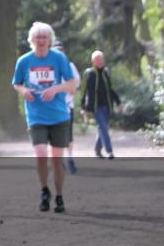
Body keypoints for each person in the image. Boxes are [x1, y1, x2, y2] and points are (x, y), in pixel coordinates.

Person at [11, 23, 79, 213]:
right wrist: (24, 90)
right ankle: (44, 190)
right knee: (41, 154)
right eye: (38, 37)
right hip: (36, 116)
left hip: (59, 116)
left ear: (50, 40)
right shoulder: (24, 61)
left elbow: (72, 84)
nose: (41, 41)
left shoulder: (59, 58)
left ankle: (59, 196)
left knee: (57, 159)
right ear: (32, 40)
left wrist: (56, 88)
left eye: (44, 37)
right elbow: (16, 83)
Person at [81, 50, 122, 159]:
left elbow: (110, 89)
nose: (100, 62)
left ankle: (97, 149)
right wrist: (83, 107)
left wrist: (118, 102)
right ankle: (110, 151)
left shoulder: (106, 73)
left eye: (101, 59)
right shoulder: (89, 73)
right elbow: (84, 91)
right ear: (93, 61)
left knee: (102, 128)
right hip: (95, 106)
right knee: (103, 127)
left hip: (107, 105)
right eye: (97, 60)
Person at [52, 40, 80, 174]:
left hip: (67, 106)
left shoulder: (70, 66)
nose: (59, 52)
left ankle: (70, 159)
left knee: (68, 135)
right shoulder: (49, 67)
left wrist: (70, 88)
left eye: (61, 50)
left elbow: (76, 83)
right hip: (53, 107)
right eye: (56, 50)